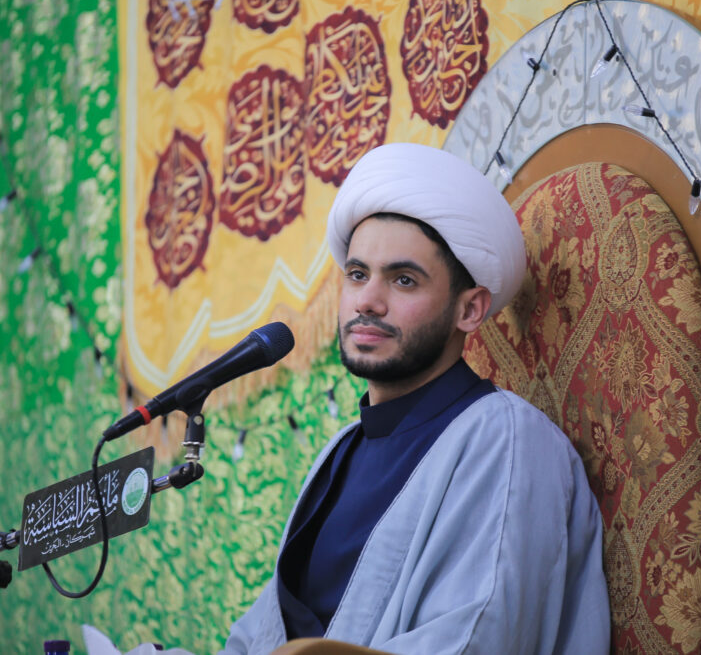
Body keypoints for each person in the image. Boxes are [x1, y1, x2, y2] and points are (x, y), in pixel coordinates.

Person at [219, 143, 610, 654]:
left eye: (403, 280)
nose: (367, 301)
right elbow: (262, 635)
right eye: (357, 275)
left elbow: (478, 639)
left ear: (469, 310)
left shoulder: (508, 441)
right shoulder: (341, 450)